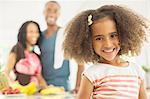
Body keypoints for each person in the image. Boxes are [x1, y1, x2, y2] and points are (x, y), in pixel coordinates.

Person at [63, 5, 149, 99]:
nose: (108, 44)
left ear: (124, 34)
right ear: (88, 42)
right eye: (99, 38)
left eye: (113, 35)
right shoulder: (91, 74)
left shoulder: (136, 71)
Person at [39, 1, 84, 91]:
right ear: (44, 12)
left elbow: (80, 61)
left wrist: (78, 85)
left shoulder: (65, 34)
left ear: (58, 14)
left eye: (55, 11)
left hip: (63, 86)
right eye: (49, 10)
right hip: (43, 86)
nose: (51, 13)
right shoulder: (40, 36)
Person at [4, 21, 47, 89]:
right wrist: (14, 86)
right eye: (31, 31)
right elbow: (6, 72)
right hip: (21, 93)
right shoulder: (17, 49)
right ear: (24, 33)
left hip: (35, 93)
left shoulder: (35, 56)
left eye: (36, 32)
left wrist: (48, 89)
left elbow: (40, 77)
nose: (34, 35)